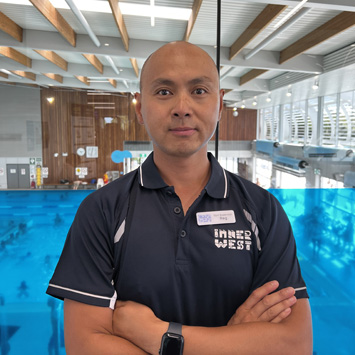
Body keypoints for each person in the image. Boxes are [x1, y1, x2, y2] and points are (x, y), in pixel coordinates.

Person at [47, 41, 312, 354]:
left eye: (199, 90)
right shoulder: (103, 210)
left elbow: (294, 344)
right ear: (139, 108)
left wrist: (161, 336)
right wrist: (234, 343)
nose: (182, 107)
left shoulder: (263, 210)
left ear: (220, 104)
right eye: (163, 91)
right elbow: (84, 345)